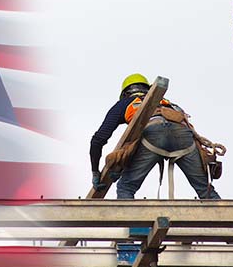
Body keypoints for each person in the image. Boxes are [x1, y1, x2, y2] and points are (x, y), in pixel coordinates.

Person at [90, 73, 223, 199]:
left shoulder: (126, 103)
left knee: (126, 187)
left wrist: (96, 171)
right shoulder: (168, 104)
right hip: (184, 138)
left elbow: (99, 139)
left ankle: (133, 223)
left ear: (125, 94)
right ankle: (225, 219)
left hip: (153, 134)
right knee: (205, 190)